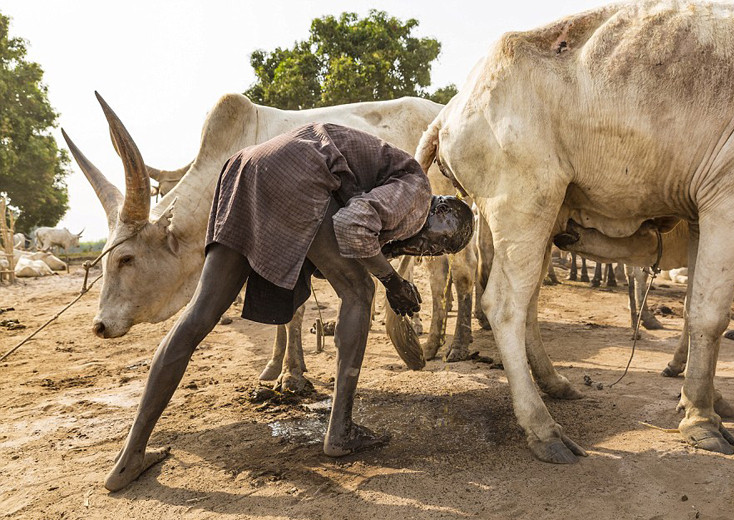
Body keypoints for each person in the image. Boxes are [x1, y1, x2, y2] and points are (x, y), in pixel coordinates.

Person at [104, 122, 474, 491]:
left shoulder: (394, 193)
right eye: (434, 245)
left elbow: (342, 234)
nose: (424, 253)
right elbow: (350, 224)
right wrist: (393, 282)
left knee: (201, 313)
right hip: (297, 170)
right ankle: (341, 431)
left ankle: (129, 458)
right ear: (437, 214)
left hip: (245, 169)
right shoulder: (416, 190)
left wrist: (385, 268)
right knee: (359, 291)